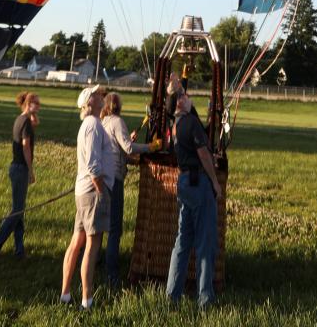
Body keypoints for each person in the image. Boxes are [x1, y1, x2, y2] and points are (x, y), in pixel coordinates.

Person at [166, 80, 221, 310]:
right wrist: (215, 183)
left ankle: (172, 296)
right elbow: (204, 155)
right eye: (185, 95)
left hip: (184, 183)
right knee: (205, 242)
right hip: (198, 184)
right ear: (180, 100)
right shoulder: (190, 122)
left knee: (183, 241)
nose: (189, 98)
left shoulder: (176, 124)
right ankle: (205, 300)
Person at [61, 86, 112, 309]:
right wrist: (102, 190)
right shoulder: (92, 125)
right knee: (92, 245)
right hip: (93, 193)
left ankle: (65, 295)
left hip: (84, 191)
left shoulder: (90, 124)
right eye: (97, 93)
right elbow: (93, 164)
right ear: (89, 102)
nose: (102, 95)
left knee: (77, 242)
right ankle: (87, 300)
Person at [99, 91, 156, 288]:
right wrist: (151, 146)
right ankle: (112, 275)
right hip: (115, 180)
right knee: (115, 229)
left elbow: (119, 145)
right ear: (118, 105)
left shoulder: (104, 122)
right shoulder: (117, 121)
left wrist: (128, 139)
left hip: (103, 180)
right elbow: (129, 149)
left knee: (101, 226)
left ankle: (97, 263)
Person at [0, 91, 40, 259]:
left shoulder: (21, 119)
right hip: (20, 168)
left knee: (19, 210)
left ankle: (19, 250)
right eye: (36, 104)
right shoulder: (25, 122)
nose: (39, 106)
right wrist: (30, 170)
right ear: (28, 104)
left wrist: (33, 116)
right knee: (16, 211)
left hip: (15, 168)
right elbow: (25, 147)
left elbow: (33, 124)